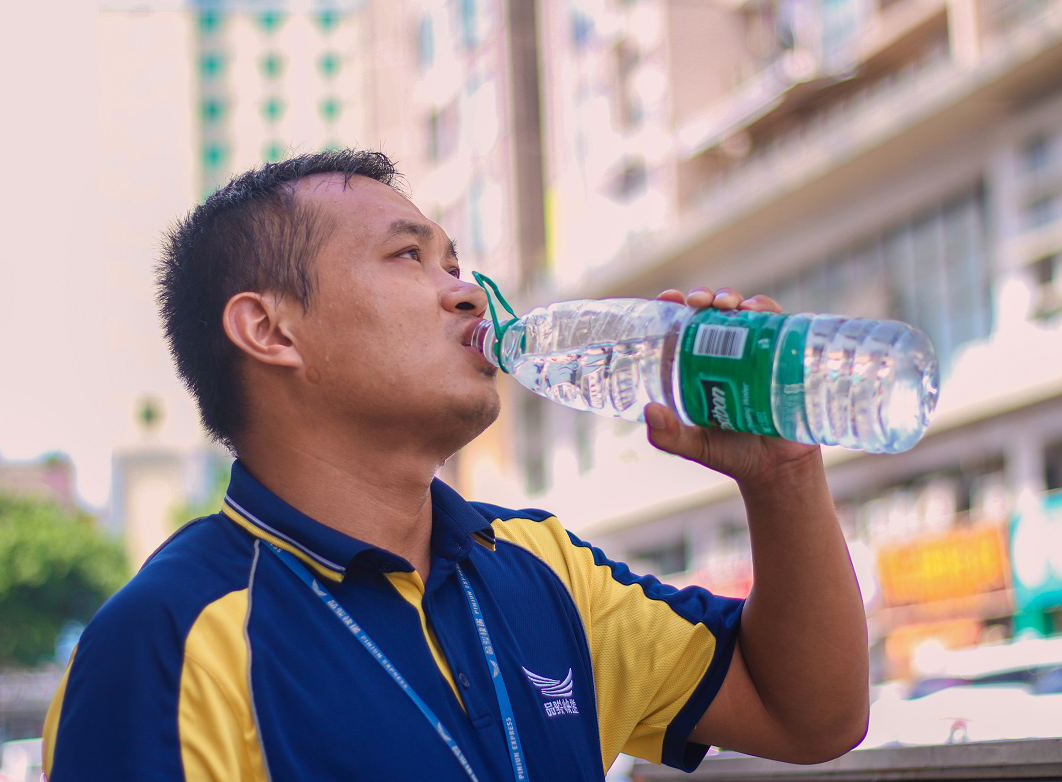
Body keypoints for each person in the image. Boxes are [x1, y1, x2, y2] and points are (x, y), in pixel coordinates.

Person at [42, 150, 868, 780]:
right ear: (271, 330)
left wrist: (783, 476)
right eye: (409, 258)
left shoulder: (543, 569)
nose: (469, 294)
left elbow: (809, 716)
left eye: (453, 263)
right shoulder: (171, 638)